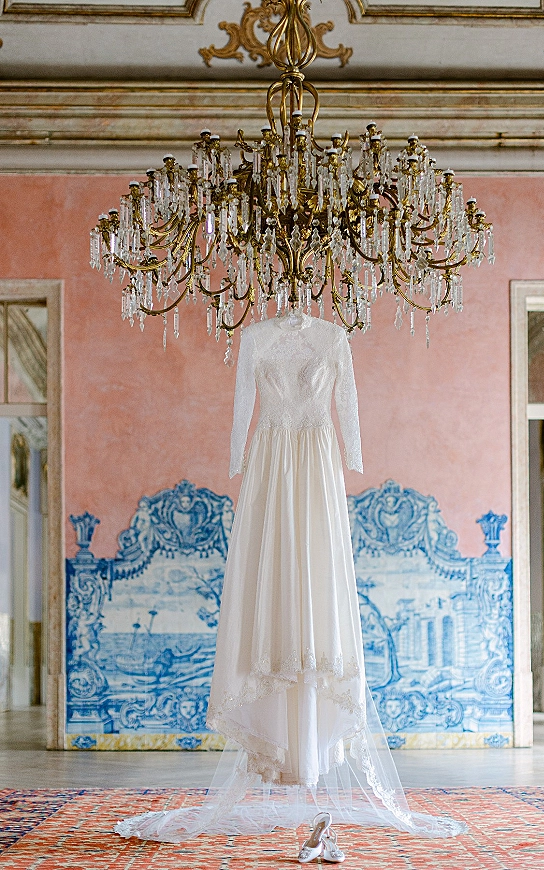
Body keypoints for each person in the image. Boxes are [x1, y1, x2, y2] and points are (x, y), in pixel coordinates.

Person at [115, 310, 466, 857]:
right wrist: (238, 454)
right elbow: (241, 410)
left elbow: (346, 406)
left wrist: (351, 451)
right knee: (276, 577)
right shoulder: (254, 337)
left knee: (316, 579)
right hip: (274, 462)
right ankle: (290, 749)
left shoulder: (334, 337)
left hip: (316, 462)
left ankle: (310, 751)